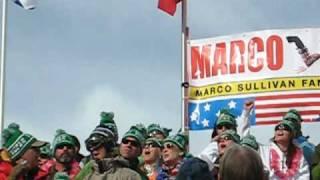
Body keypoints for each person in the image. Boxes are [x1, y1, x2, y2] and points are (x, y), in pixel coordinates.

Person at [79, 112, 141, 180]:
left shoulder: (129, 176)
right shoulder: (88, 177)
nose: (93, 149)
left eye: (97, 144)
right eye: (90, 146)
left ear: (108, 145)